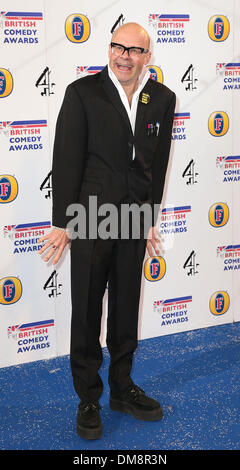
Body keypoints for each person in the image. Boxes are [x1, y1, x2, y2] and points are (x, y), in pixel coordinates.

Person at [39, 22, 176, 440]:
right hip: (90, 217)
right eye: (118, 47)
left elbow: (159, 162)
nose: (124, 56)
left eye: (134, 50)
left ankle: (122, 388)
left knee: (125, 309)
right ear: (109, 48)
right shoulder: (83, 93)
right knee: (86, 312)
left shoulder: (162, 99)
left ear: (146, 57)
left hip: (134, 221)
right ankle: (88, 396)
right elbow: (66, 159)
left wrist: (149, 217)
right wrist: (63, 223)